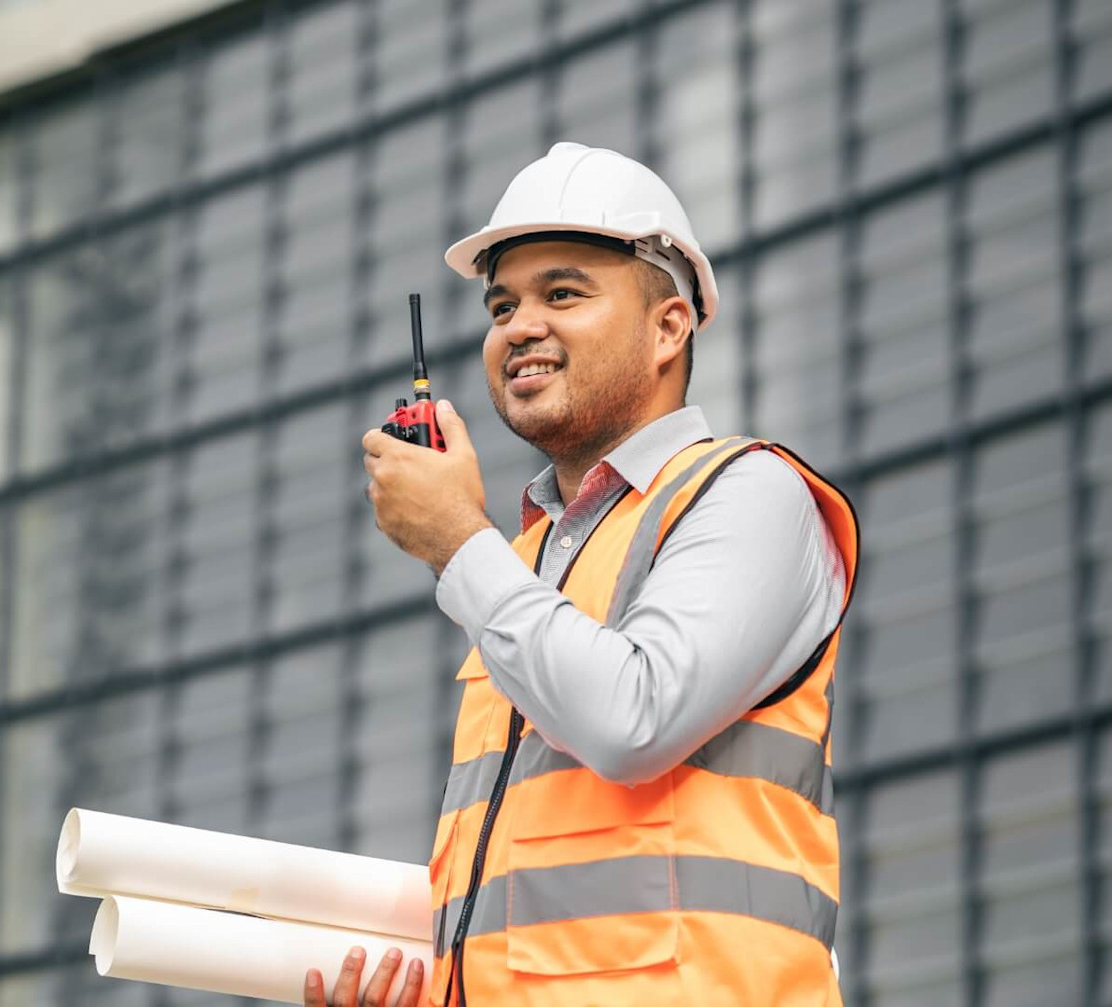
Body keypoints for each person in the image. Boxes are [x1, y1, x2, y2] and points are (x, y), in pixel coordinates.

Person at [304, 142, 859, 1006]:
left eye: (562, 293)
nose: (519, 325)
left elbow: (633, 721)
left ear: (669, 326)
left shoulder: (751, 494)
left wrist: (458, 539)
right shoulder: (521, 564)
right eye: (502, 305)